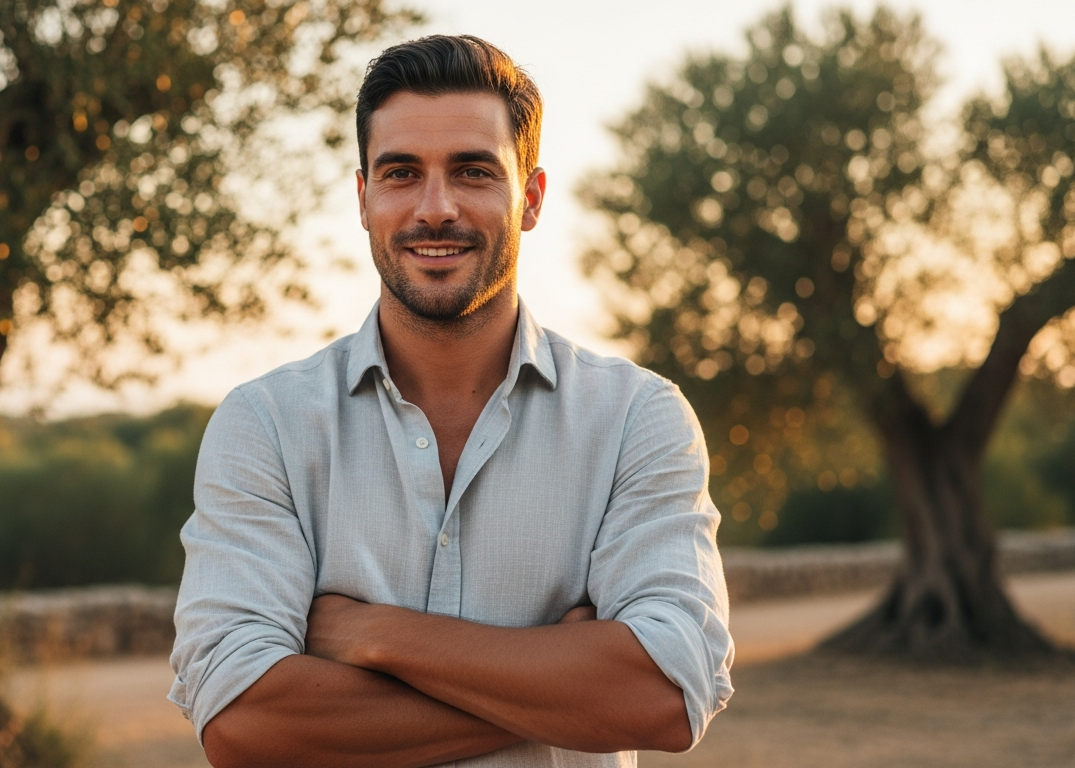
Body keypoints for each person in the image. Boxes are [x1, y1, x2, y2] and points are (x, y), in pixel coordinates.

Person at [169, 34, 733, 767]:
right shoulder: (266, 427)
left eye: (472, 171)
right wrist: (563, 682)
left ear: (529, 197)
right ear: (363, 197)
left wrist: (373, 635)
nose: (435, 209)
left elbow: (663, 696)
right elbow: (242, 722)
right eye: (401, 173)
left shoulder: (637, 419)